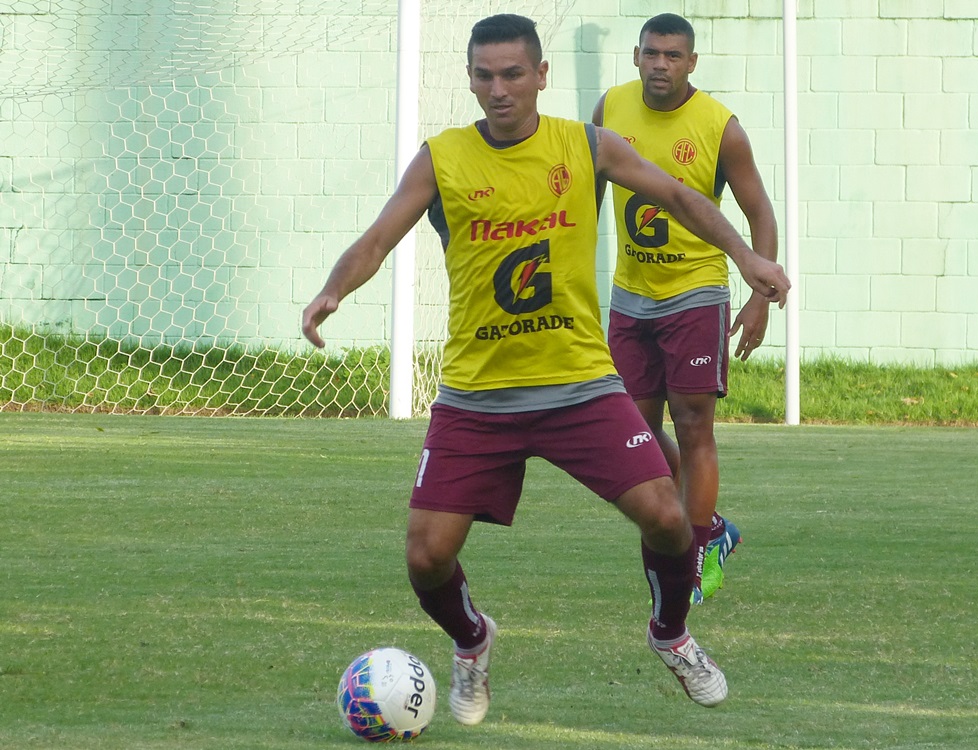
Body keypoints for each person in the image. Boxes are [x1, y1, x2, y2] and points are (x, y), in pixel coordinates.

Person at [303, 14, 788, 724]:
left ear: (540, 75)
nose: (498, 90)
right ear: (470, 79)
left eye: (511, 74)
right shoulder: (442, 158)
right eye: (483, 75)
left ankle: (672, 634)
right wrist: (333, 288)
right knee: (425, 558)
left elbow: (682, 197)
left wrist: (747, 258)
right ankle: (472, 641)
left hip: (580, 386)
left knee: (667, 516)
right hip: (476, 395)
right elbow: (379, 237)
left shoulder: (586, 146)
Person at [593, 13, 780, 604]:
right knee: (635, 433)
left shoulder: (720, 128)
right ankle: (716, 525)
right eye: (651, 53)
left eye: (673, 56)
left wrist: (758, 298)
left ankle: (696, 553)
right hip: (630, 295)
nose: (660, 65)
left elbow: (761, 215)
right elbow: (585, 195)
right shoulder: (609, 110)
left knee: (694, 425)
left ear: (692, 63)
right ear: (635, 56)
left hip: (696, 292)